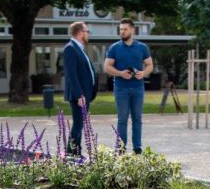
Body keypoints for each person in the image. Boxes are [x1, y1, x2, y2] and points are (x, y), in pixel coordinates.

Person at [104, 18, 153, 154]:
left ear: (132, 30)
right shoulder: (114, 48)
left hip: (138, 88)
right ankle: (121, 148)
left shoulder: (142, 47)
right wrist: (120, 73)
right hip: (121, 89)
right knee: (122, 119)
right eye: (120, 29)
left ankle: (137, 148)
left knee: (137, 119)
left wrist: (143, 73)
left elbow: (150, 65)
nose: (122, 32)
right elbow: (107, 67)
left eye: (125, 29)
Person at [63, 21, 98, 155]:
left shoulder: (79, 48)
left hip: (84, 94)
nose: (87, 34)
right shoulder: (70, 48)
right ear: (79, 32)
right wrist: (79, 95)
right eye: (86, 31)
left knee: (80, 125)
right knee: (78, 125)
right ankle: (70, 154)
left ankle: (76, 153)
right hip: (79, 96)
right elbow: (71, 74)